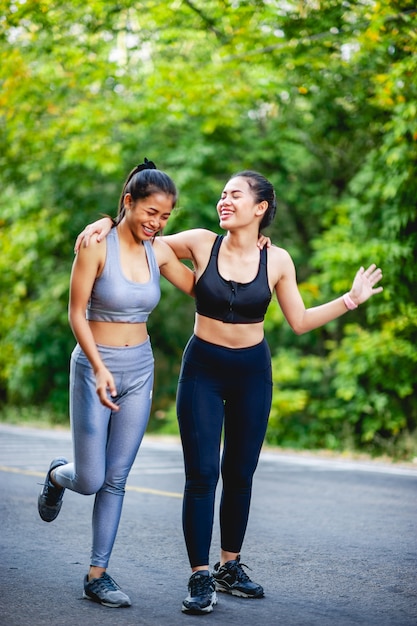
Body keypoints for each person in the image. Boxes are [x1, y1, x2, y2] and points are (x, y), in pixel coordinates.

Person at [76, 168, 383, 615]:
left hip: (252, 372)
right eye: (222, 194)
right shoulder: (200, 242)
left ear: (259, 208)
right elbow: (143, 240)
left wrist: (349, 300)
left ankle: (229, 567)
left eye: (235, 195)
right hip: (203, 368)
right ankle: (200, 576)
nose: (224, 200)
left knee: (240, 473)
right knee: (202, 476)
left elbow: (298, 321)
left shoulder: (276, 260)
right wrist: (105, 221)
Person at [38, 159, 195, 609]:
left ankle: (97, 574)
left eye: (165, 217)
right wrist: (99, 366)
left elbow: (200, 286)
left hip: (139, 369)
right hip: (94, 367)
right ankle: (56, 474)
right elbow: (75, 312)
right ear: (129, 202)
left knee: (116, 478)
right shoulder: (95, 244)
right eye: (150, 212)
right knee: (90, 479)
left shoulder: (159, 250)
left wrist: (247, 252)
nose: (157, 223)